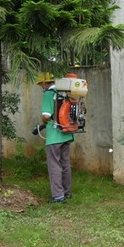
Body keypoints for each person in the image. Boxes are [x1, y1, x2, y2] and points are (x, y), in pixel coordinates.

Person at [36, 72, 74, 203]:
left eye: (42, 84)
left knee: (54, 165)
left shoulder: (48, 94)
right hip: (67, 132)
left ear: (46, 83)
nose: (42, 86)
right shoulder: (64, 93)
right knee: (65, 164)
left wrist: (44, 122)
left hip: (54, 135)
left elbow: (46, 116)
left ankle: (58, 195)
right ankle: (67, 192)